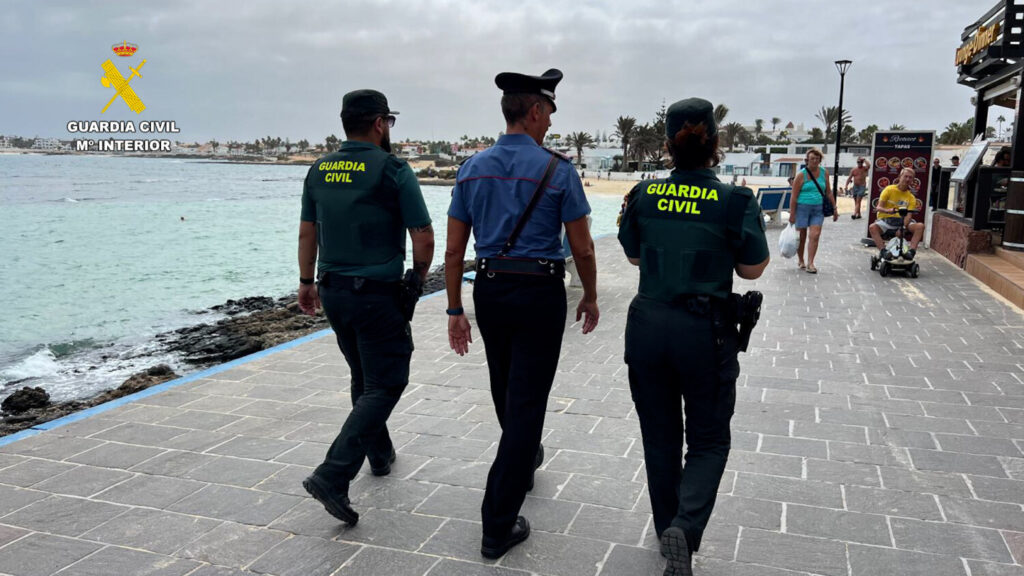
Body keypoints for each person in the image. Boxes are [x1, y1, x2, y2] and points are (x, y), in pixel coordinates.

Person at [445, 68, 599, 560]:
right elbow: (583, 248)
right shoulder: (558, 171)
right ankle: (497, 523)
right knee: (527, 402)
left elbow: (453, 252)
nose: (551, 123)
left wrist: (455, 308)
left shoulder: (472, 168)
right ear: (534, 111)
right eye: (550, 113)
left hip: (490, 289)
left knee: (504, 383)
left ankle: (522, 454)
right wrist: (590, 297)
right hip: (538, 293)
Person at [617, 98, 769, 576]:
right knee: (707, 440)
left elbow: (635, 257)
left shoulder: (642, 195)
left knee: (659, 439)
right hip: (704, 333)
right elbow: (752, 269)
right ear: (716, 145)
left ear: (666, 146)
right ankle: (687, 525)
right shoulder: (735, 201)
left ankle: (669, 533)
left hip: (648, 327)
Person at [297, 89, 434, 526]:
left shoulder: (319, 170)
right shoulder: (393, 169)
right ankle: (333, 474)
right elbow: (424, 237)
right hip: (376, 295)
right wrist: (415, 281)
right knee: (387, 381)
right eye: (389, 122)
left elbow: (307, 234)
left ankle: (380, 453)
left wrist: (305, 282)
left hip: (332, 291)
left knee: (363, 375)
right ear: (379, 123)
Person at [788, 148, 838, 273]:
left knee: (815, 235)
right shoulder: (801, 175)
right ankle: (801, 259)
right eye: (812, 159)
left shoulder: (824, 172)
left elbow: (828, 191)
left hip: (818, 208)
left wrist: (835, 208)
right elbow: (794, 196)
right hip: (802, 208)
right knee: (802, 236)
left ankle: (811, 263)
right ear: (807, 160)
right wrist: (792, 214)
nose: (815, 161)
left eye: (817, 159)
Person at [870, 167, 923, 260]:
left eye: (910, 178)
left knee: (920, 226)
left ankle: (911, 252)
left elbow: (909, 215)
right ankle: (884, 252)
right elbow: (878, 207)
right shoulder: (889, 189)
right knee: (872, 227)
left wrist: (902, 228)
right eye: (905, 176)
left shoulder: (911, 197)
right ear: (900, 177)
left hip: (902, 221)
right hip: (886, 220)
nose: (907, 179)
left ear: (912, 181)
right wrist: (888, 210)